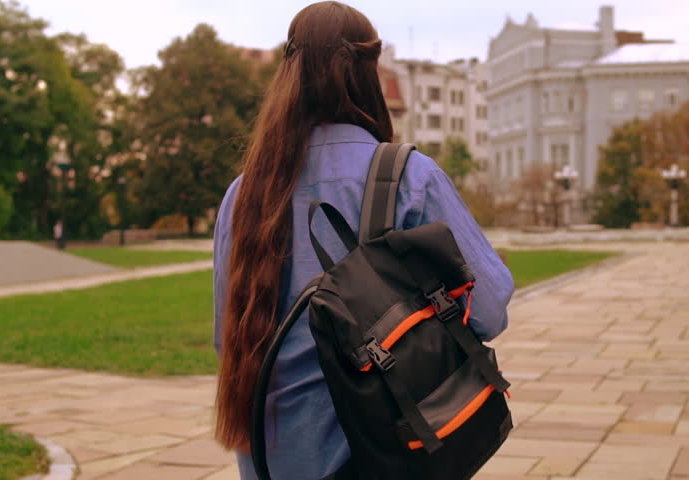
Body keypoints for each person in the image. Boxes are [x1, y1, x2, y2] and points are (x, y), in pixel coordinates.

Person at [212, 3, 514, 479]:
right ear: (368, 73)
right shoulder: (408, 178)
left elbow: (222, 338)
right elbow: (491, 308)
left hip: (271, 460)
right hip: (379, 450)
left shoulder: (242, 195)